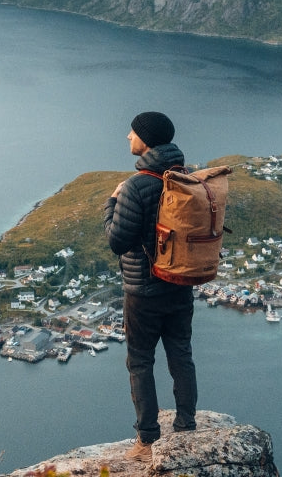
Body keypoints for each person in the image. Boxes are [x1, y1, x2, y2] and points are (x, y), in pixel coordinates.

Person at [103, 111, 196, 461]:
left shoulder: (136, 186)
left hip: (143, 291)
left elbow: (117, 241)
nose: (128, 136)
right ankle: (187, 425)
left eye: (133, 132)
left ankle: (147, 440)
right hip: (181, 284)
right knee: (181, 354)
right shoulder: (186, 177)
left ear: (148, 140)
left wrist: (111, 203)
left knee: (140, 361)